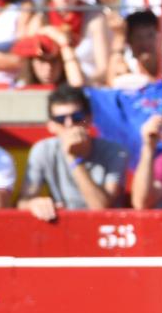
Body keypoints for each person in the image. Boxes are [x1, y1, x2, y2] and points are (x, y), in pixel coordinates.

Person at [17, 83, 128, 219]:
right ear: (51, 126)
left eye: (76, 117)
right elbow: (22, 202)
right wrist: (34, 204)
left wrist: (73, 158)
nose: (69, 124)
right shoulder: (42, 150)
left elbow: (101, 208)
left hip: (105, 232)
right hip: (62, 230)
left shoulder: (116, 152)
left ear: (89, 119)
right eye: (60, 119)